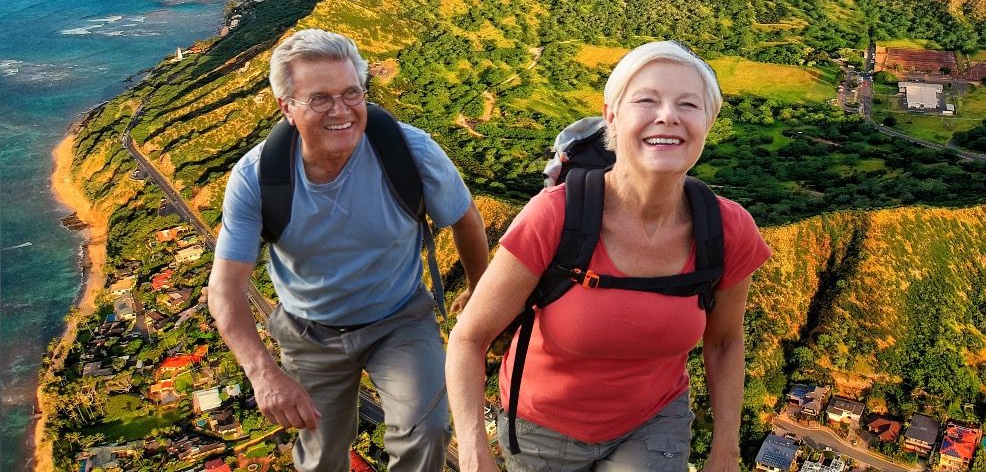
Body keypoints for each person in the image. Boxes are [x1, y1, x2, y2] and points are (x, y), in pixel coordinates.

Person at [447, 40, 771, 472]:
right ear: (612, 116)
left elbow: (726, 340)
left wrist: (725, 450)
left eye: (688, 104)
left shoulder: (727, 230)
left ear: (708, 123)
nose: (668, 115)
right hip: (543, 424)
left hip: (654, 418)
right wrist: (472, 451)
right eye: (647, 100)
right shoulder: (555, 216)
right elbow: (469, 338)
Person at [208, 29, 489, 472]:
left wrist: (477, 293)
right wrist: (263, 374)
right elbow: (224, 288)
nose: (341, 111)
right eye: (319, 98)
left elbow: (466, 219)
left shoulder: (410, 151)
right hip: (309, 330)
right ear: (287, 108)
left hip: (400, 319)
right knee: (320, 458)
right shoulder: (257, 178)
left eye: (351, 93)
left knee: (427, 431)